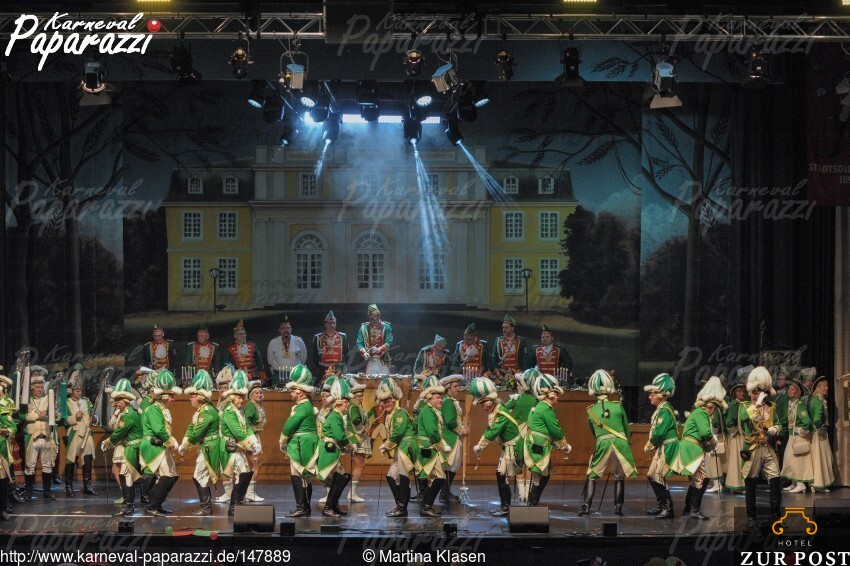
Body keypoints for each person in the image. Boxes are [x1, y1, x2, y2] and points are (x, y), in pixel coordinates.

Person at [579, 369, 637, 517]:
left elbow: (594, 432)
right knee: (619, 476)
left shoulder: (590, 410)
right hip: (621, 443)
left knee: (593, 474)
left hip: (603, 443)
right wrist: (627, 441)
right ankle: (618, 508)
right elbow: (626, 428)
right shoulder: (618, 406)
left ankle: (585, 507)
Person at [671, 376, 726, 520]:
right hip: (692, 449)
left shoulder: (697, 412)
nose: (713, 411)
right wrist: (713, 442)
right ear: (710, 406)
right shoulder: (702, 412)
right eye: (714, 408)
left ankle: (688, 508)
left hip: (692, 448)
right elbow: (706, 433)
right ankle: (694, 510)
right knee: (702, 478)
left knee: (697, 479)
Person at [470, 376, 524, 517]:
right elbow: (490, 430)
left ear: (489, 402)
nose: (482, 407)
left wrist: (480, 446)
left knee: (501, 476)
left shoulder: (500, 414)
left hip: (513, 447)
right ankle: (504, 505)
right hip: (508, 447)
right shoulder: (496, 411)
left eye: (482, 404)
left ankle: (505, 507)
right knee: (501, 476)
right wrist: (480, 445)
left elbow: (492, 432)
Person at [739, 366, 782, 527]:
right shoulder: (745, 407)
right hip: (753, 448)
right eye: (753, 392)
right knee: (750, 482)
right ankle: (751, 517)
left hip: (768, 448)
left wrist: (774, 430)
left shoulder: (771, 407)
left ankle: (776, 517)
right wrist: (756, 405)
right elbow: (744, 418)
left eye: (759, 392)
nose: (755, 394)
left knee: (775, 480)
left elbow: (778, 423)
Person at [219, 371, 262, 517]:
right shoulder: (229, 412)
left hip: (239, 448)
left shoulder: (240, 411)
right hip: (230, 448)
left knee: (244, 475)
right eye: (238, 397)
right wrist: (251, 444)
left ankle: (236, 505)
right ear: (232, 397)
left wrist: (254, 441)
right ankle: (234, 507)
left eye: (242, 397)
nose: (241, 400)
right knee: (243, 474)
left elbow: (247, 427)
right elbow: (238, 432)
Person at [178, 370, 221, 516]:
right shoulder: (201, 410)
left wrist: (186, 447)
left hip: (210, 446)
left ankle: (206, 508)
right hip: (206, 446)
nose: (190, 399)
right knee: (200, 476)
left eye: (193, 396)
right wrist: (184, 443)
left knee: (199, 475)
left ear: (201, 397)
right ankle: (206, 507)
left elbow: (197, 433)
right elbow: (192, 427)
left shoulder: (206, 411)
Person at [524, 373, 571, 506]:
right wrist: (565, 446)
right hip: (540, 445)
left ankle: (533, 503)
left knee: (542, 475)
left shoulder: (540, 406)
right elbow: (555, 430)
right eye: (556, 395)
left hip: (537, 443)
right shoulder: (546, 408)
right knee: (540, 476)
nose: (558, 398)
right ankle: (532, 504)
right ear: (550, 395)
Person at [140, 370, 182, 517]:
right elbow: (159, 429)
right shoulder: (154, 409)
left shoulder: (163, 409)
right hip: (153, 446)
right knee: (167, 475)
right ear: (164, 396)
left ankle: (157, 504)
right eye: (171, 396)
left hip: (161, 445)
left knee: (172, 475)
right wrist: (171, 441)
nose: (173, 399)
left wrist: (170, 442)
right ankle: (151, 505)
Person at [279, 365, 319, 517]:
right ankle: (305, 507)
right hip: (304, 442)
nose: (291, 394)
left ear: (300, 392)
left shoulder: (302, 407)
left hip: (301, 444)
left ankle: (302, 507)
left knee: (299, 474)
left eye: (293, 391)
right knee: (304, 477)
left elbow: (290, 425)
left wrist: (282, 439)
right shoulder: (307, 405)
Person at [100, 378, 143, 517]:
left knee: (127, 477)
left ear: (125, 400)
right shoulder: (125, 412)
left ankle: (128, 506)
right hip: (129, 447)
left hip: (132, 448)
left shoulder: (128, 415)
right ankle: (128, 506)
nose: (115, 402)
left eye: (118, 400)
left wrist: (106, 443)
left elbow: (119, 433)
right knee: (126, 477)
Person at [377, 378, 417, 518]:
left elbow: (398, 433)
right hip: (399, 449)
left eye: (389, 401)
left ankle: (402, 507)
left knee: (403, 477)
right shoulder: (390, 415)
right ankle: (400, 505)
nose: (386, 404)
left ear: (394, 400)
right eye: (384, 402)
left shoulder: (399, 413)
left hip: (406, 448)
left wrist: (386, 445)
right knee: (391, 476)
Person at [315, 379, 354, 518]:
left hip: (334, 450)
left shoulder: (337, 415)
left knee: (339, 479)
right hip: (330, 451)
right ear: (338, 402)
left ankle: (334, 506)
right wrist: (350, 446)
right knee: (337, 479)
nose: (347, 404)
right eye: (345, 401)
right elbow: (339, 436)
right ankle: (328, 508)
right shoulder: (335, 415)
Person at [643, 373, 678, 520]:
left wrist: (649, 445)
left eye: (652, 394)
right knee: (652, 475)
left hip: (667, 446)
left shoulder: (664, 410)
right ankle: (661, 505)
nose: (650, 397)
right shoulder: (661, 408)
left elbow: (659, 433)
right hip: (662, 446)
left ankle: (668, 509)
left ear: (661, 394)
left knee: (658, 476)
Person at [415, 376, 452, 517]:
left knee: (437, 478)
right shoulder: (428, 411)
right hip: (428, 449)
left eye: (441, 398)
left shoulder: (433, 411)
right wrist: (442, 446)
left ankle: (426, 506)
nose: (440, 400)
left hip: (432, 448)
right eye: (437, 398)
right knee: (438, 478)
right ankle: (426, 506)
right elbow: (432, 432)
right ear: (429, 399)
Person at [22, 367, 57, 500]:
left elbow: (56, 415)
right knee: (30, 465)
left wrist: (56, 415)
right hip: (32, 437)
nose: (40, 389)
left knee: (47, 465)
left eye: (42, 387)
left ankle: (47, 491)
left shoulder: (48, 399)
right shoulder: (26, 400)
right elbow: (21, 416)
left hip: (46, 436)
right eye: (37, 387)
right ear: (32, 388)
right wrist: (36, 416)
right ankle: (28, 491)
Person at [504, 368, 539, 502]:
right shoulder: (537, 400)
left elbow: (503, 411)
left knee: (518, 464)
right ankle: (528, 493)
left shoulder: (516, 398)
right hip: (532, 435)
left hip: (518, 436)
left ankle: (522, 493)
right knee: (529, 464)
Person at [64, 371, 97, 497]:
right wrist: (75, 417)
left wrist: (95, 419)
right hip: (75, 433)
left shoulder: (86, 401)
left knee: (87, 460)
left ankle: (87, 486)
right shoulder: (67, 403)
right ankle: (68, 486)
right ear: (72, 391)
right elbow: (64, 420)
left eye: (80, 390)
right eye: (77, 391)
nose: (79, 393)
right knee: (71, 460)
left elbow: (93, 414)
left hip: (87, 434)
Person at [438, 374, 468, 504]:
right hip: (450, 437)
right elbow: (450, 421)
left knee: (452, 465)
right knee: (451, 465)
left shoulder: (449, 401)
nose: (458, 388)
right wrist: (462, 430)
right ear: (448, 388)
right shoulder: (448, 402)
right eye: (455, 386)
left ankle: (446, 492)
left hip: (451, 436)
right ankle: (444, 493)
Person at [780, 379, 813, 494]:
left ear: (797, 392)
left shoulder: (800, 404)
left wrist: (801, 431)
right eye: (789, 389)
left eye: (792, 389)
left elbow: (807, 422)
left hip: (798, 437)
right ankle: (794, 483)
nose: (789, 391)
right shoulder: (790, 404)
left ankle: (800, 484)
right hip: (791, 436)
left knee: (796, 462)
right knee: (789, 461)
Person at [345, 378, 370, 503]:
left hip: (357, 438)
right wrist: (363, 429)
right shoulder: (354, 407)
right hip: (356, 439)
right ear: (353, 396)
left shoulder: (355, 406)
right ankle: (352, 493)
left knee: (360, 465)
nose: (361, 398)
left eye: (362, 396)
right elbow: (355, 420)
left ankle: (352, 493)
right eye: (359, 396)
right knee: (360, 465)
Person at [809, 375, 835, 493]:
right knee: (821, 459)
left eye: (827, 386)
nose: (827, 388)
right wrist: (820, 428)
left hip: (816, 434)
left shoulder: (817, 400)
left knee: (818, 459)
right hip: (819, 434)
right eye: (824, 386)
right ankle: (818, 484)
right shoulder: (818, 401)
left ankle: (815, 484)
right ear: (818, 388)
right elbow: (816, 419)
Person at [267, 315, 308, 385]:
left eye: (287, 328)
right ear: (279, 330)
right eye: (283, 328)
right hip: (278, 376)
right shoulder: (273, 343)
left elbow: (303, 359)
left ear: (291, 329)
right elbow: (270, 361)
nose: (285, 330)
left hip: (295, 375)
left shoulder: (299, 341)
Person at [243, 380, 266, 502]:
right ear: (251, 395)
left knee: (257, 464)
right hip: (251, 439)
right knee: (255, 464)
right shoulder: (251, 406)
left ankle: (249, 492)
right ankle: (250, 493)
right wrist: (254, 430)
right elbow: (245, 423)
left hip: (256, 437)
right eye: (256, 393)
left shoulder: (257, 405)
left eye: (260, 393)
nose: (259, 395)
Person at [356, 304, 393, 375]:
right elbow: (359, 343)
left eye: (374, 318)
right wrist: (364, 352)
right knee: (370, 380)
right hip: (369, 361)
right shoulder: (363, 328)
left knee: (385, 380)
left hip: (383, 360)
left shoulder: (386, 327)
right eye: (370, 319)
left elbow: (389, 342)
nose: (372, 321)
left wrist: (379, 349)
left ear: (379, 316)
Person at [227, 319, 267, 385]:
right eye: (240, 334)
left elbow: (260, 363)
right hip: (237, 378)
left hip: (254, 376)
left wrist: (263, 377)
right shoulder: (230, 348)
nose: (243, 336)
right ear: (235, 336)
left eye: (244, 333)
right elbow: (226, 366)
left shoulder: (253, 346)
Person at [311, 311, 350, 378]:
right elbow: (315, 356)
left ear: (336, 324)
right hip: (323, 370)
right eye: (329, 323)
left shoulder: (343, 337)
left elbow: (347, 354)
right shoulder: (318, 338)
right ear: (325, 324)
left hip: (339, 369)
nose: (332, 325)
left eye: (333, 323)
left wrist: (342, 366)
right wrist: (321, 366)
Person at [724, 383, 747, 494]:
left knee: (742, 459)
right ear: (735, 394)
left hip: (744, 436)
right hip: (738, 436)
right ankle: (736, 485)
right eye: (739, 391)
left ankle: (740, 484)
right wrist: (737, 430)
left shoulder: (743, 404)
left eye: (743, 391)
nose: (741, 393)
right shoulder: (734, 405)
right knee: (737, 460)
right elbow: (729, 422)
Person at [0, 371, 17, 520]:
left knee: (2, 478)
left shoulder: (3, 409)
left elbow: (12, 427)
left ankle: (3, 507)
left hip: (0, 447)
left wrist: (5, 431)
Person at [492, 315, 529, 379]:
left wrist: (518, 373)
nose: (503, 330)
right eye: (503, 328)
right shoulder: (498, 341)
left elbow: (525, 360)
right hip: (501, 376)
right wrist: (499, 375)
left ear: (512, 328)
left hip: (517, 375)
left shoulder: (521, 341)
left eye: (506, 328)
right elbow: (493, 360)